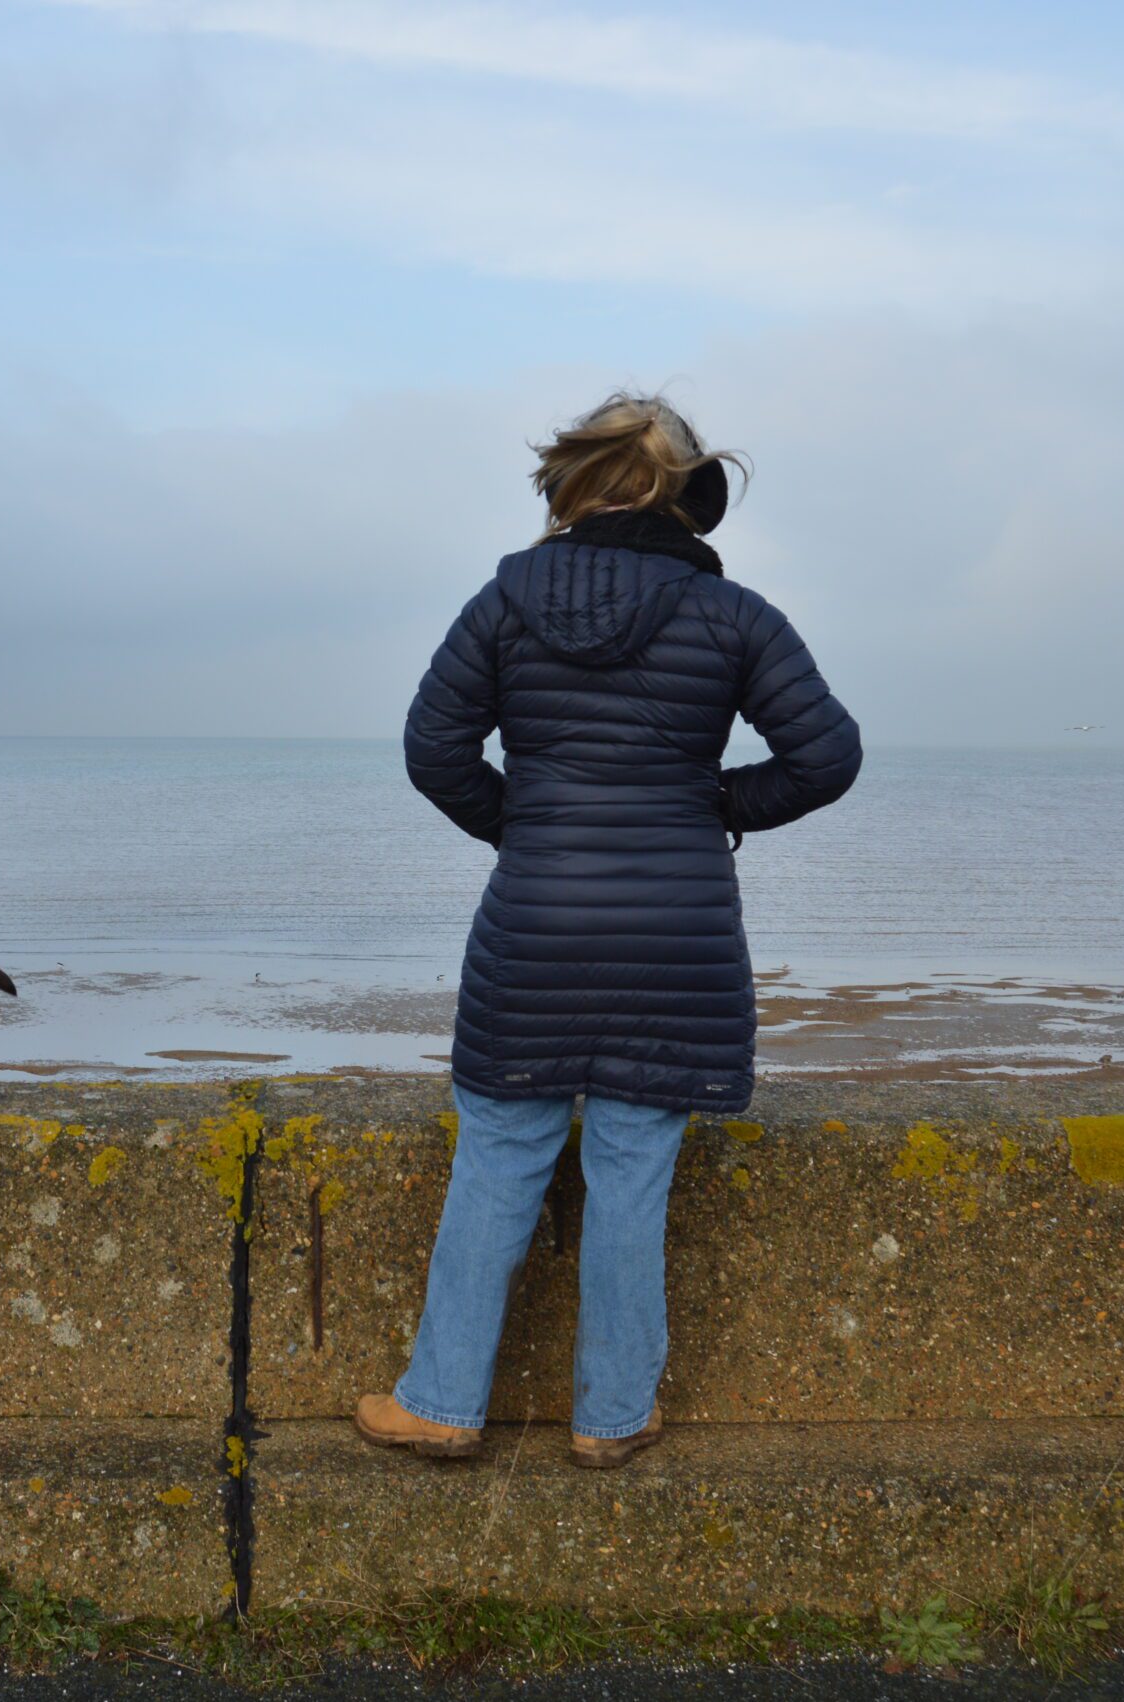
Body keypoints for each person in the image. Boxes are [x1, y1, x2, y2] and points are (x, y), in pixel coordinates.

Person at [358, 393, 861, 1468]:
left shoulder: (501, 601)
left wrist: (527, 830)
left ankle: (443, 1402)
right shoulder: (735, 617)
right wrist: (712, 805)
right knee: (633, 1171)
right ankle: (612, 1417)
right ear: (680, 494)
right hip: (674, 937)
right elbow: (826, 757)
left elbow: (431, 751)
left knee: (498, 1154)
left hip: (533, 930)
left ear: (570, 487)